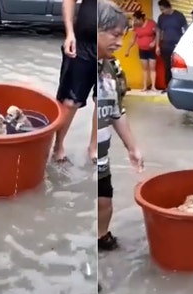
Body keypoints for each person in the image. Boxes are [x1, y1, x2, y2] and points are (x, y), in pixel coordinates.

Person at [97, 0, 143, 253]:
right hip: (89, 158)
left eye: (122, 36)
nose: (119, 42)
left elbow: (116, 111)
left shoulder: (112, 68)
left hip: (103, 159)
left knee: (105, 202)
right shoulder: (79, 66)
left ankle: (101, 238)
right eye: (114, 35)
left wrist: (132, 148)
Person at [54, 0, 98, 163]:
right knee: (70, 101)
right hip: (82, 44)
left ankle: (94, 147)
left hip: (107, 45)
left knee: (102, 101)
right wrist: (69, 33)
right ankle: (58, 146)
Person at [155, 0, 188, 93]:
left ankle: (178, 87)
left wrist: (184, 44)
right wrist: (157, 46)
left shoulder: (179, 16)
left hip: (177, 46)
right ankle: (167, 87)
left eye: (163, 9)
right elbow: (158, 32)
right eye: (160, 9)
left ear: (168, 7)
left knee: (177, 68)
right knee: (167, 67)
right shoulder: (161, 17)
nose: (162, 11)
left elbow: (185, 30)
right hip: (165, 45)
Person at [125, 10, 157, 92]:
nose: (135, 21)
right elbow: (133, 39)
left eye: (136, 20)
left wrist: (154, 43)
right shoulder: (136, 27)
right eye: (134, 20)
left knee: (152, 68)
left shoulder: (151, 23)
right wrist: (128, 49)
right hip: (142, 50)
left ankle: (153, 86)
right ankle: (145, 86)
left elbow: (159, 34)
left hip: (151, 50)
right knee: (145, 69)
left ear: (142, 19)